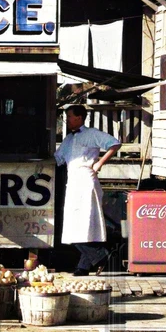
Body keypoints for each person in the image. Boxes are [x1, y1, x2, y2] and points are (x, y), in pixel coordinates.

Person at [54, 104, 121, 276]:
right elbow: (58, 158)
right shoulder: (68, 139)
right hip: (73, 183)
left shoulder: (92, 134)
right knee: (74, 226)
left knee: (84, 224)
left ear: (79, 117)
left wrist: (99, 163)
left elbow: (114, 143)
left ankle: (100, 257)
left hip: (86, 182)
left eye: (69, 116)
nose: (67, 120)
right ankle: (84, 266)